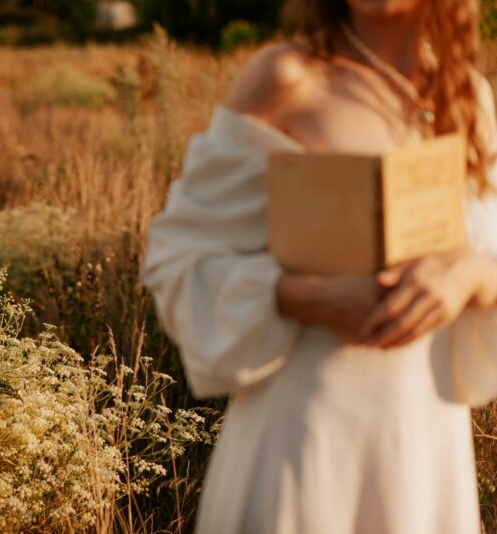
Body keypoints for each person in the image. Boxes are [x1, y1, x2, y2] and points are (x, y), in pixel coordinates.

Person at [141, 0, 497, 532]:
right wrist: (307, 297)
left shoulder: (468, 96)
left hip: (424, 443)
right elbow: (175, 260)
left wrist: (469, 274)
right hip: (306, 435)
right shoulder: (285, 77)